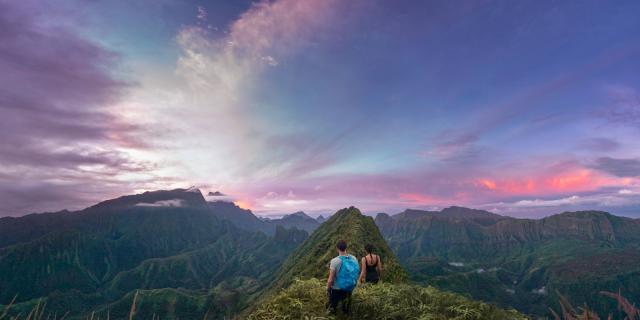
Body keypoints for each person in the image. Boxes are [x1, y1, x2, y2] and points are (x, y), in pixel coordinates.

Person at [326, 239, 360, 314]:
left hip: (336, 289)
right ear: (346, 248)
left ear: (337, 248)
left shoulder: (335, 261)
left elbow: (330, 279)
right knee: (346, 309)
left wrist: (328, 289)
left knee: (332, 309)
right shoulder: (354, 258)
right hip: (349, 287)